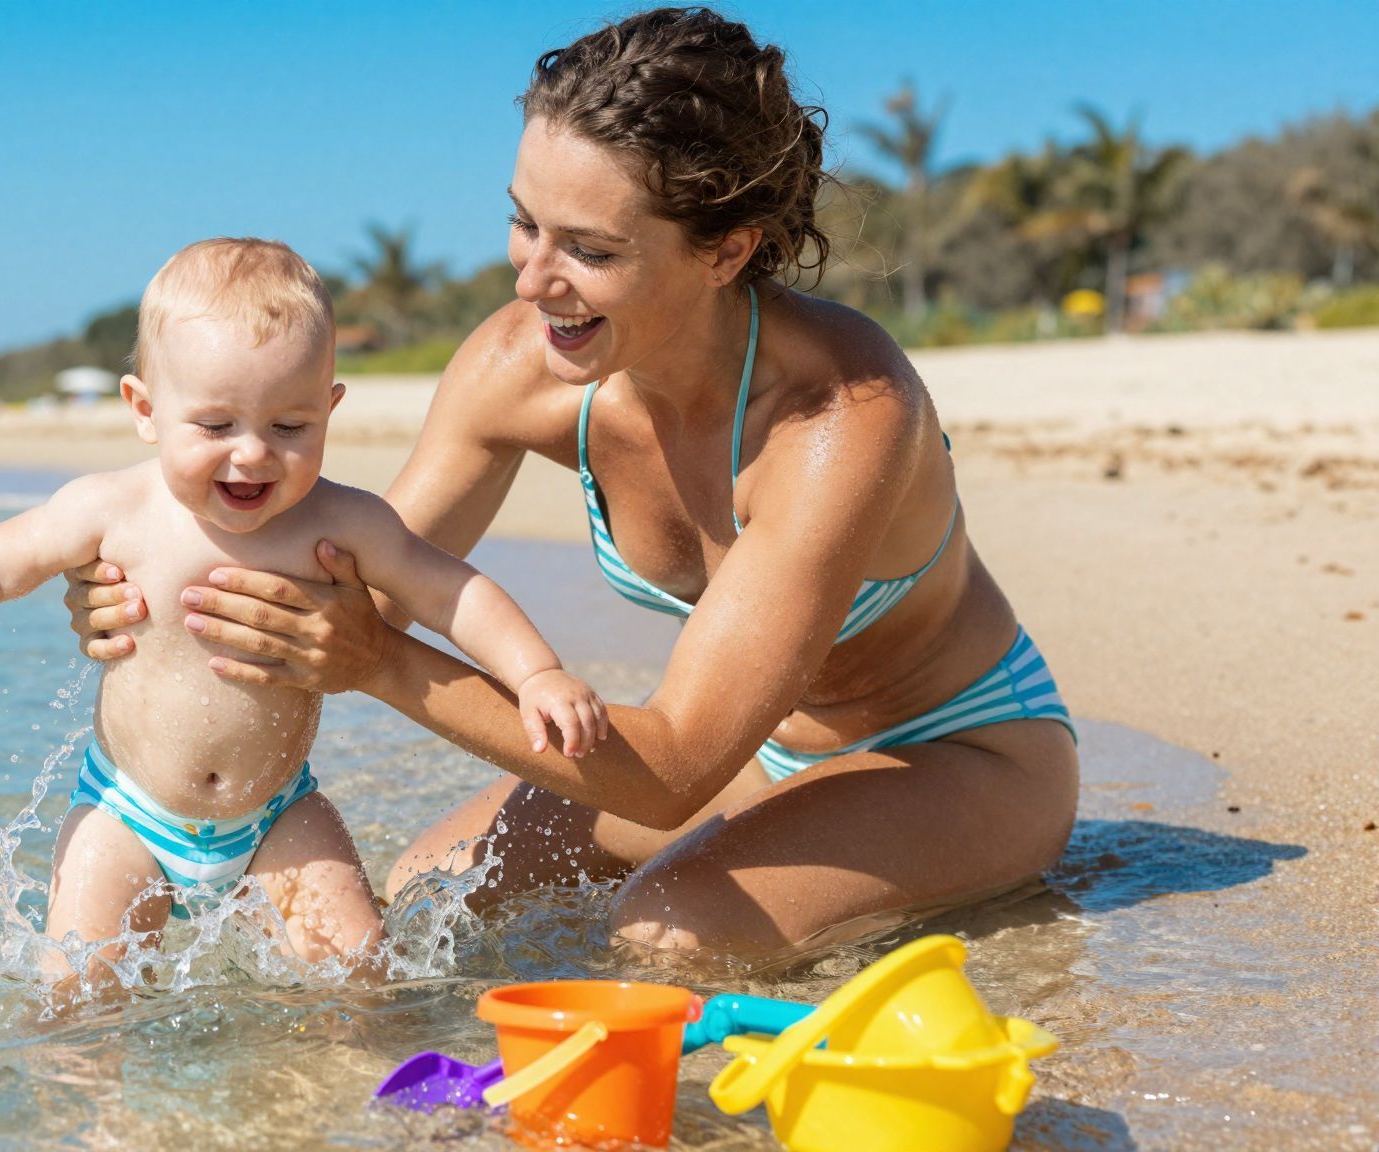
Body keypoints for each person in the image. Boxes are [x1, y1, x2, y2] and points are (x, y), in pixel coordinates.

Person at [62, 9, 1079, 966]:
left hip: (951, 751)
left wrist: (377, 665)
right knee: (434, 894)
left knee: (670, 929)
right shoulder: (523, 366)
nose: (530, 279)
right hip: (748, 750)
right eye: (524, 224)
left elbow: (675, 760)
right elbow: (335, 582)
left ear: (726, 251)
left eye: (588, 251)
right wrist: (153, 588)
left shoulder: (837, 421)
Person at [0, 238, 605, 988]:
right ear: (144, 409)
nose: (252, 452)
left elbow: (451, 590)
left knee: (360, 974)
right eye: (216, 425)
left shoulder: (346, 522)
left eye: (290, 426)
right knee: (79, 993)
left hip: (279, 812)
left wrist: (535, 672)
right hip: (127, 813)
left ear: (330, 406)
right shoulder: (113, 509)